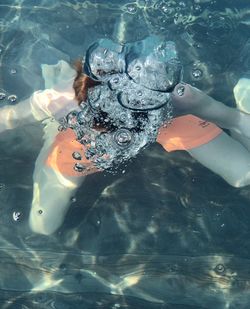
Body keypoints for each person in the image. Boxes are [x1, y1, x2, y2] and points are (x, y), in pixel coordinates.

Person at [1, 38, 250, 236]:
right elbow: (9, 117)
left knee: (244, 175)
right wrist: (57, 124)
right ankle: (54, 131)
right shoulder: (61, 100)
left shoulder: (179, 97)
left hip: (167, 120)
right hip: (84, 136)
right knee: (43, 225)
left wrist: (241, 115)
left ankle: (245, 93)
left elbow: (233, 119)